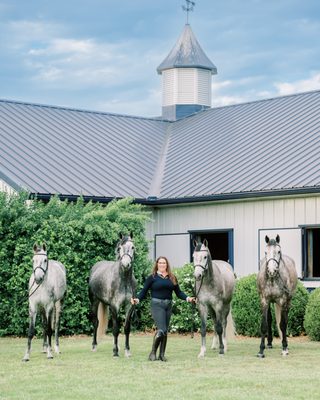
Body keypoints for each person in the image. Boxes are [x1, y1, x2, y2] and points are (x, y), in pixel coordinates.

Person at [131, 256, 195, 361]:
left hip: (168, 305)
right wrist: (136, 299)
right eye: (160, 263)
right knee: (162, 329)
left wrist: (189, 298)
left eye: (164, 263)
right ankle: (152, 353)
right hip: (157, 305)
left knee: (165, 331)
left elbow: (178, 293)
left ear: (167, 265)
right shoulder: (152, 277)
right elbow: (143, 292)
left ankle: (161, 355)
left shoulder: (172, 277)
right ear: (157, 264)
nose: (162, 265)